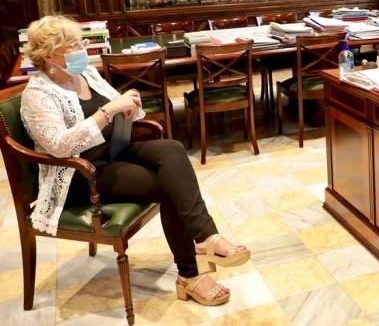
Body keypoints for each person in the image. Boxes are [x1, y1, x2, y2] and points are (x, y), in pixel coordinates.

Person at [20, 16, 249, 306]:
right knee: (169, 187)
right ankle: (190, 276)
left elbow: (121, 107)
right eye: (74, 45)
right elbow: (59, 146)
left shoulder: (86, 73)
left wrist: (131, 102)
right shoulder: (37, 94)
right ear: (49, 54)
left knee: (173, 149)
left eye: (81, 42)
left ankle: (206, 238)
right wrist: (106, 112)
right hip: (81, 174)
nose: (82, 50)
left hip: (114, 151)